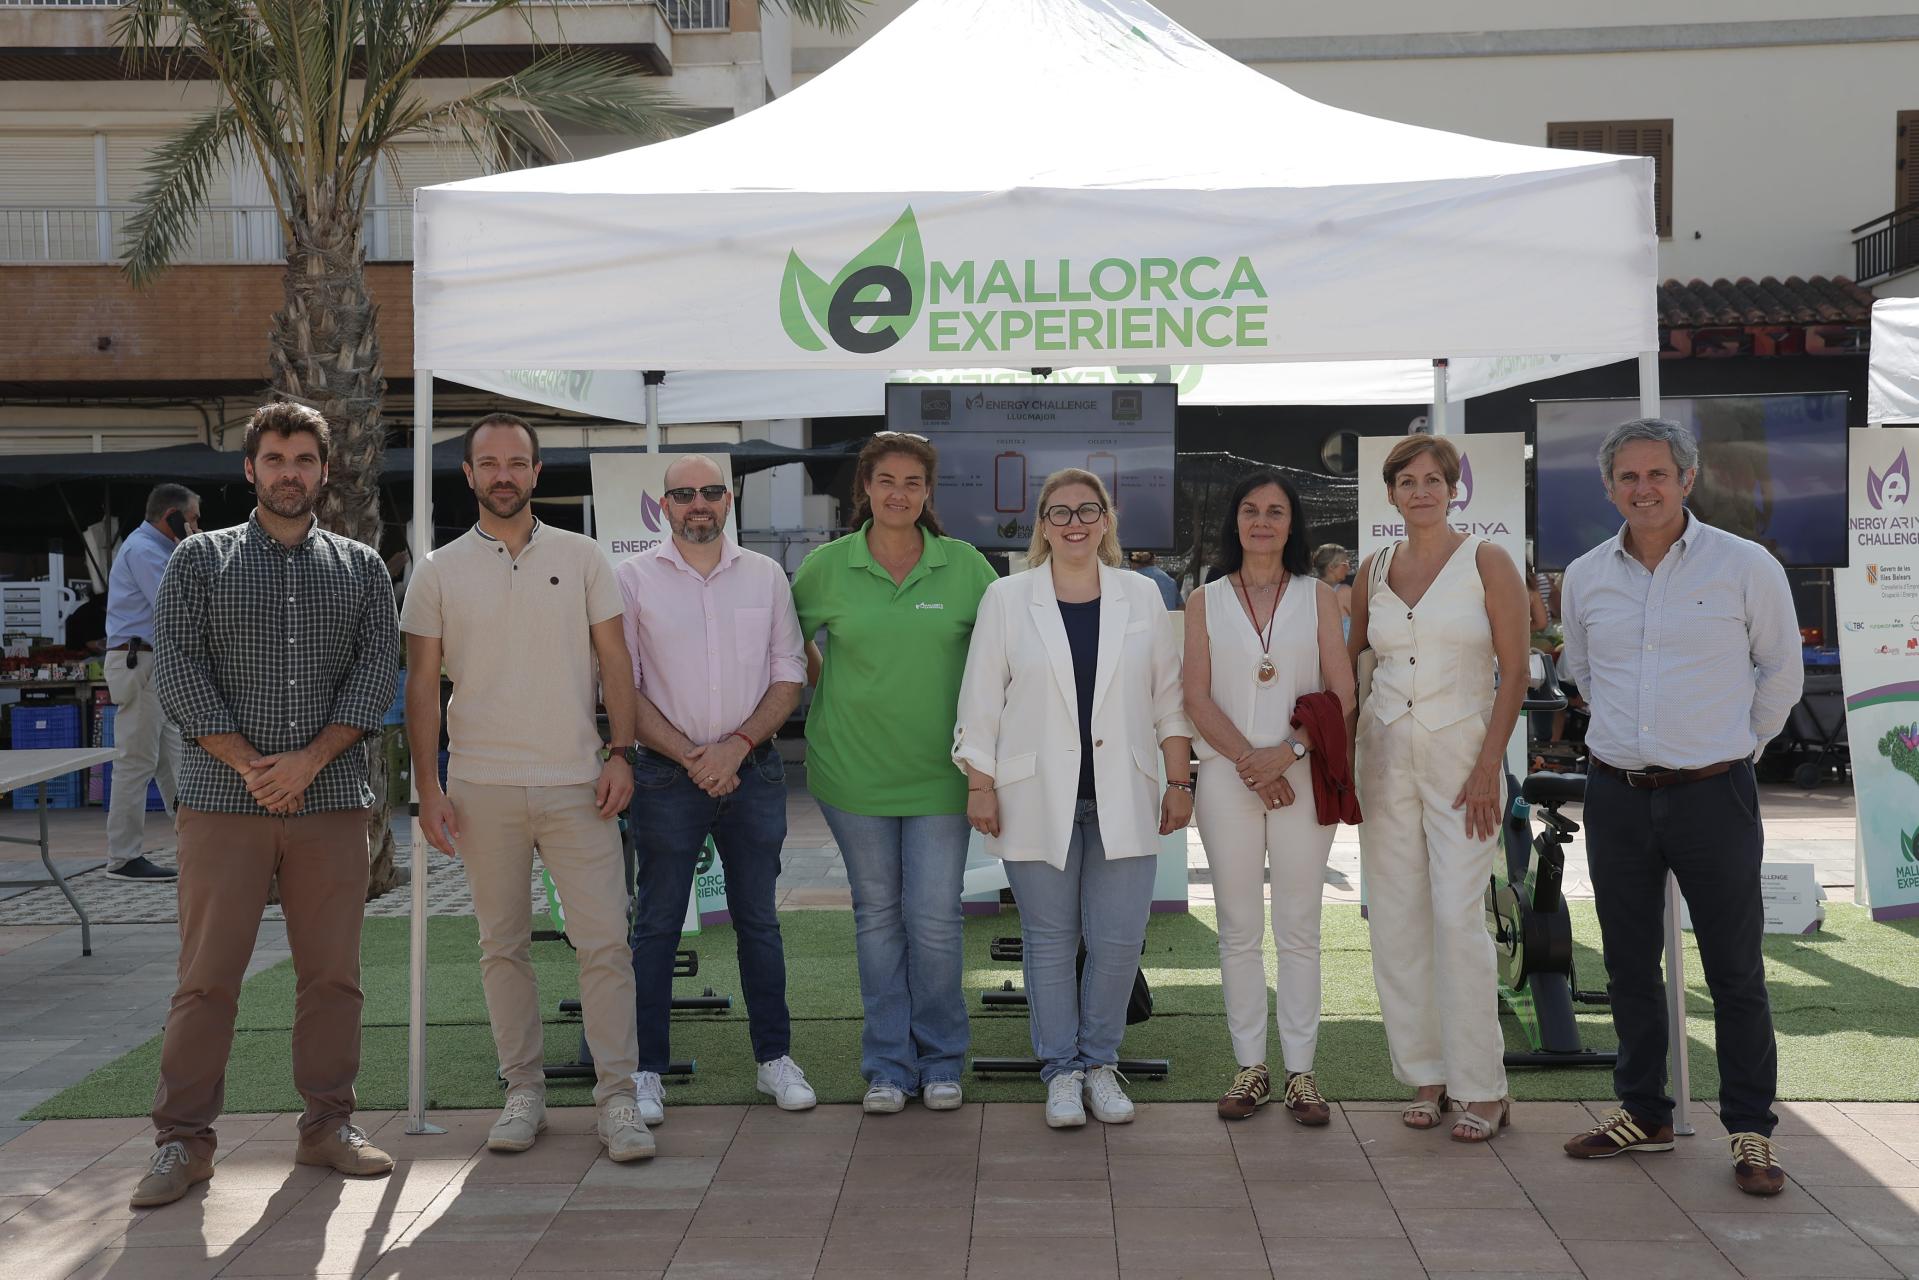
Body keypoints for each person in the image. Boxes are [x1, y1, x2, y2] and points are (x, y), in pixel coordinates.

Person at [138, 402, 398, 1208]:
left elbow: (373, 674)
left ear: (325, 470)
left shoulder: (361, 567)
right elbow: (178, 671)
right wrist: (255, 766)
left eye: (304, 460)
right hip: (224, 801)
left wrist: (312, 761)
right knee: (206, 981)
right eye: (276, 458)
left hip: (329, 807)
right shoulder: (199, 561)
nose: (291, 472)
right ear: (250, 469)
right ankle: (183, 1143)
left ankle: (328, 1126)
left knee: (333, 979)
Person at [1559, 418, 1801, 1195]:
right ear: (1607, 487)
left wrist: (1734, 746)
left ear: (1687, 480)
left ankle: (1750, 1133)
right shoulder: (1586, 575)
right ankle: (1645, 1114)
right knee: (1629, 966)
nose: (1643, 488)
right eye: (1626, 477)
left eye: (1657, 474)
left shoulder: (1745, 565)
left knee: (1735, 971)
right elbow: (1586, 678)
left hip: (1713, 793)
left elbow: (1779, 676)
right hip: (1617, 794)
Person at [402, 413, 651, 1164]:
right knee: (500, 947)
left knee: (605, 942)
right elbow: (419, 685)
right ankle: (524, 1093)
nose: (503, 473)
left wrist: (622, 753)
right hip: (481, 787)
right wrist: (427, 785)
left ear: (537, 473)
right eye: (489, 462)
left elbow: (616, 662)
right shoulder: (437, 569)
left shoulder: (583, 557)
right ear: (469, 475)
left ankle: (617, 1101)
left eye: (517, 461)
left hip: (580, 782)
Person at [955, 470, 1193, 1129]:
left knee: (1118, 942)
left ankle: (1100, 1064)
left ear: (1107, 520)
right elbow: (980, 700)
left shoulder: (1141, 596)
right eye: (1058, 512)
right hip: (1034, 795)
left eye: (1087, 510)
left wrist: (1179, 781)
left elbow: (1168, 699)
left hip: (1127, 792)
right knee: (1049, 941)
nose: (1074, 522)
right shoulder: (1007, 597)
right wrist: (979, 781)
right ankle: (1059, 1070)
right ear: (1041, 524)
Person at [791, 431, 998, 1114]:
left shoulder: (967, 568)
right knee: (877, 919)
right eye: (886, 481)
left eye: (912, 482)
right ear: (865, 489)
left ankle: (940, 1061)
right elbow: (784, 648)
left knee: (934, 920)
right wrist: (832, 689)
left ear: (928, 492)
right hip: (852, 775)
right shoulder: (826, 567)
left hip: (942, 777)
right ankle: (887, 1065)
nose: (898, 494)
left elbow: (1002, 663)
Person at [618, 455, 816, 1124]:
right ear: (663, 505)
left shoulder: (763, 576)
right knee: (656, 924)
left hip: (752, 772)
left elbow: (788, 674)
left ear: (728, 500)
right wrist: (689, 755)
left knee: (757, 920)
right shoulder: (631, 579)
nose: (696, 504)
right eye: (682, 495)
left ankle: (774, 1060)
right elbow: (623, 687)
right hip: (664, 776)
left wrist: (735, 747)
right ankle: (646, 1071)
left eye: (709, 492)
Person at [1348, 436, 1528, 1143]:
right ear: (1389, 493)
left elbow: (1512, 672)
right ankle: (1425, 1073)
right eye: (1406, 481)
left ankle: (1482, 1086)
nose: (1420, 491)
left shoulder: (1487, 561)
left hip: (1464, 762)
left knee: (1457, 922)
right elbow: (1358, 658)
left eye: (1433, 480)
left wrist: (1490, 765)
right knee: (1394, 920)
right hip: (1384, 760)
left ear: (1455, 488)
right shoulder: (1373, 568)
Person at [1183, 471, 1353, 1125]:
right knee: (1236, 929)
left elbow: (1340, 693)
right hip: (1229, 777)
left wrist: (1289, 751)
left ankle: (1302, 1074)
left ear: (1291, 524)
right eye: (1249, 510)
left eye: (1274, 512)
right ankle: (1250, 1067)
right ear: (1234, 521)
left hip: (1301, 773)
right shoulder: (1205, 599)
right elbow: (1196, 696)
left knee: (1299, 928)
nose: (1261, 521)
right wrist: (1252, 763)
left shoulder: (1317, 597)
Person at [103, 483, 200, 882]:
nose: (197, 525)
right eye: (191, 517)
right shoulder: (145, 550)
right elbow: (175, 603)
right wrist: (194, 545)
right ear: (171, 517)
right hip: (139, 661)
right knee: (136, 761)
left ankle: (198, 843)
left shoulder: (163, 550)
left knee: (174, 761)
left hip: (154, 663)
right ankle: (123, 857)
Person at [1311, 544, 1354, 640]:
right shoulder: (1344, 592)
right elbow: (1363, 625)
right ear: (1331, 567)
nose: (1348, 568)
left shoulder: (1309, 592)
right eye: (1345, 563)